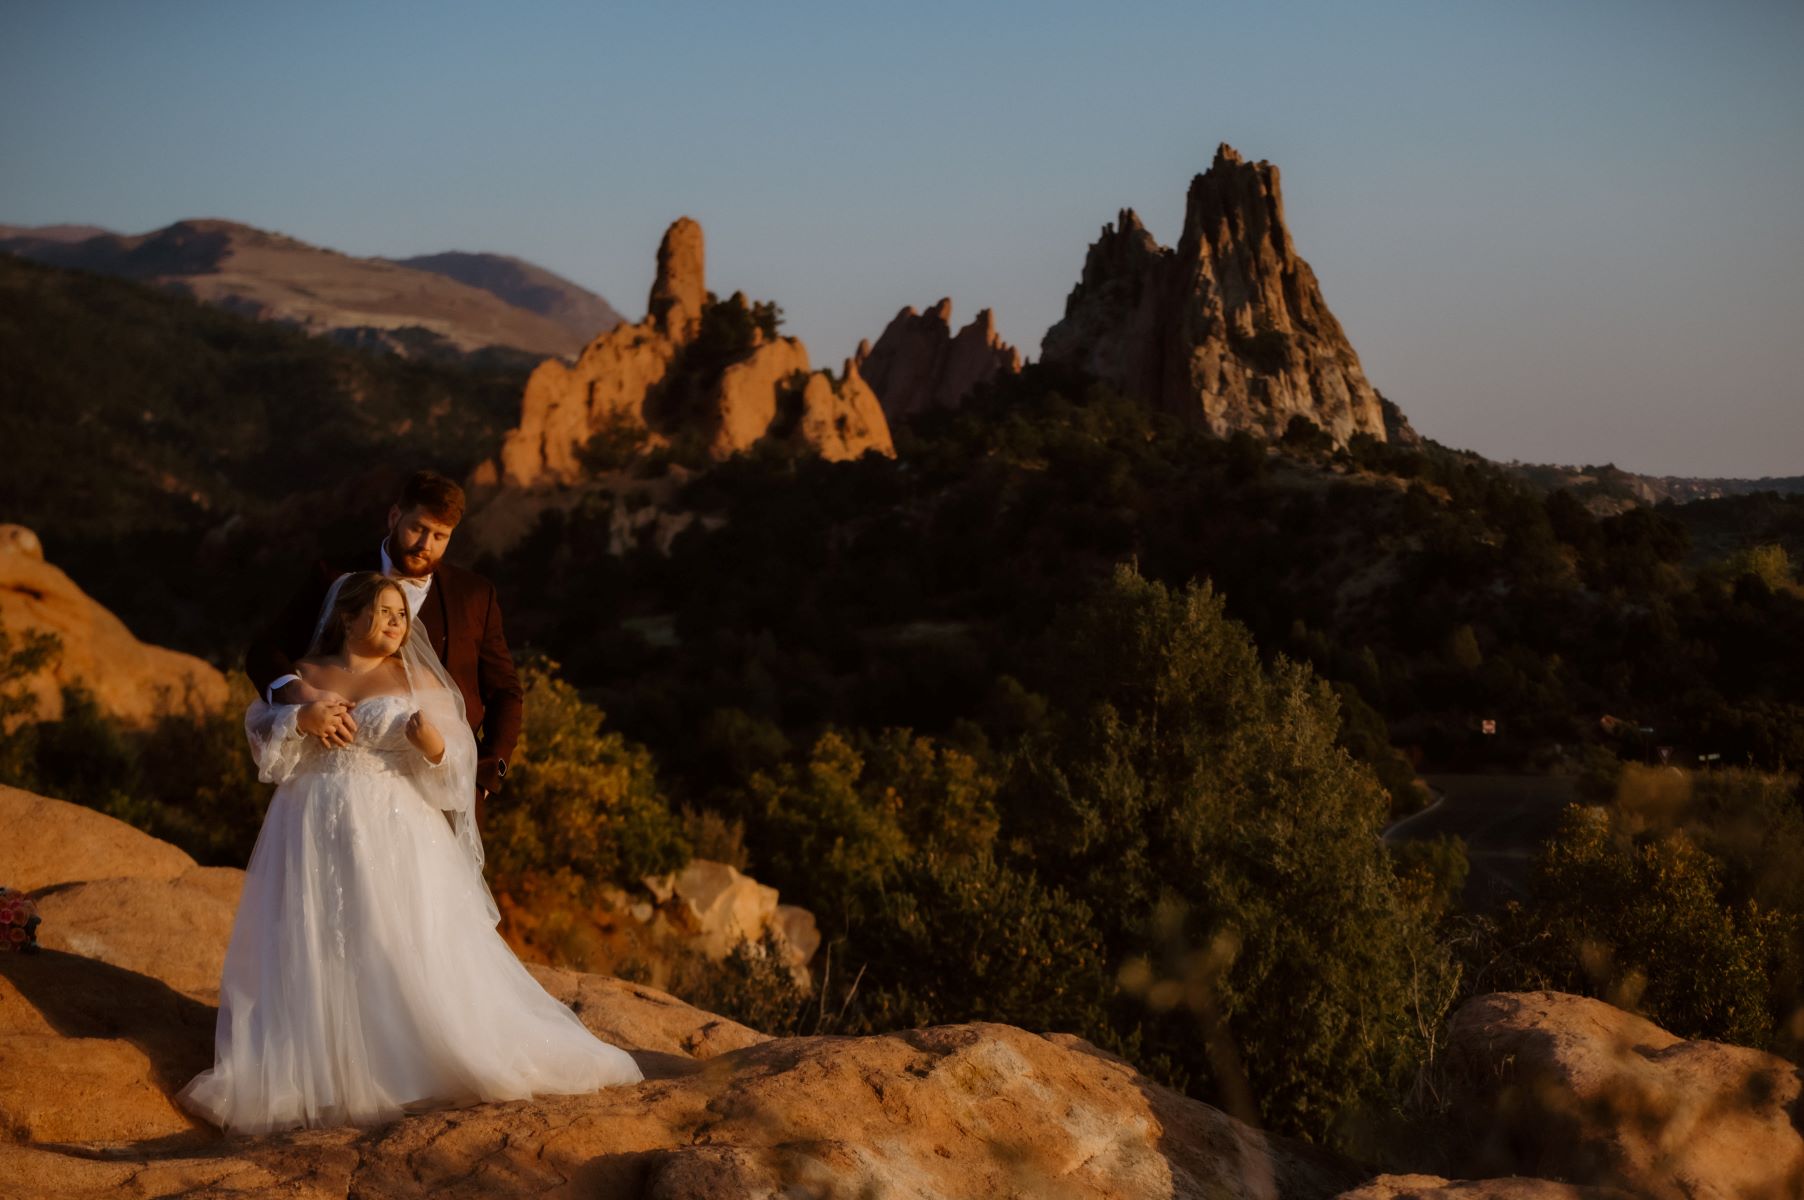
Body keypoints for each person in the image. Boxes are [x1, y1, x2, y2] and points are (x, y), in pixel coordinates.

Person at [177, 572, 642, 1134]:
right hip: (308, 821)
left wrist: (433, 744)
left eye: (402, 614)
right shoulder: (306, 675)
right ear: (347, 618)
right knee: (315, 934)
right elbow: (267, 751)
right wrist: (301, 717)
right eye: (384, 611)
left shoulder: (416, 676)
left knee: (392, 934)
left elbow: (454, 768)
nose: (398, 623)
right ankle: (319, 1063)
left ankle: (407, 1060)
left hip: (392, 824)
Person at [245, 471, 521, 827]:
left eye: (440, 536)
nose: (426, 544)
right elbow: (265, 650)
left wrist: (486, 772)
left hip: (444, 787)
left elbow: (505, 690)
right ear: (394, 517)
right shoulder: (335, 576)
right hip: (335, 796)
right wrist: (297, 693)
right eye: (418, 528)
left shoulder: (474, 595)